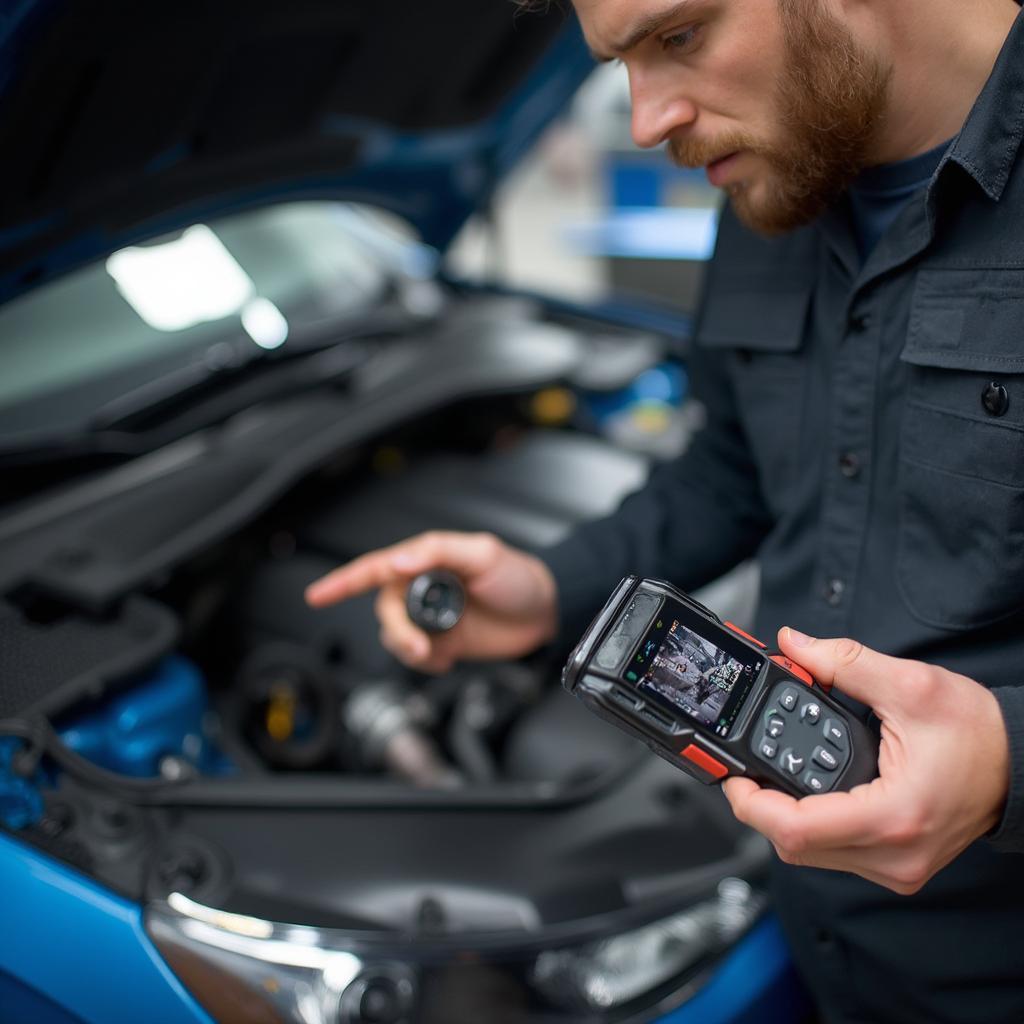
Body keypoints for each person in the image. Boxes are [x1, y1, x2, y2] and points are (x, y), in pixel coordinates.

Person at [305, 0, 1024, 1019]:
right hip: (821, 949)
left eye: (678, 36)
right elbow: (733, 470)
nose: (645, 120)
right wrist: (552, 587)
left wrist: (1007, 764)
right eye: (619, 64)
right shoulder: (780, 171)